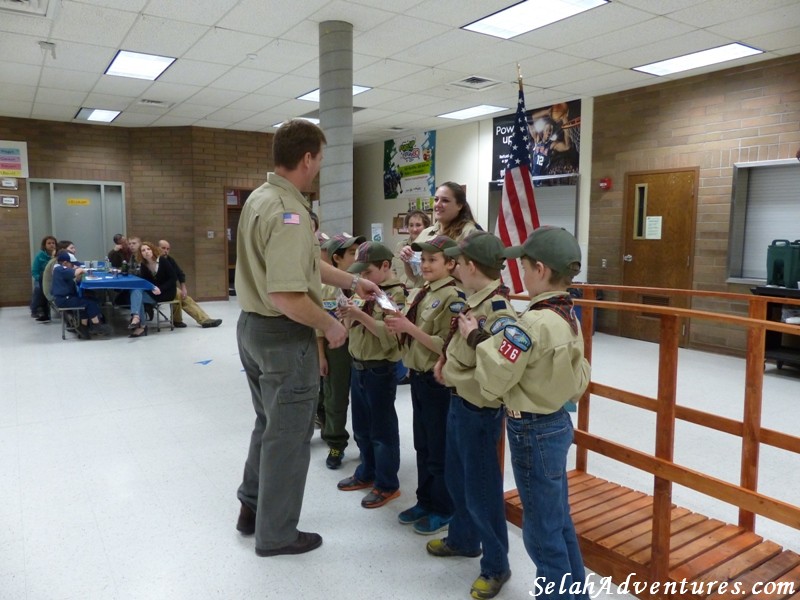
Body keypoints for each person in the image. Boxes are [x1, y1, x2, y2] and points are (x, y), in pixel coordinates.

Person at [233, 119, 379, 558]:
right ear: (307, 158)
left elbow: (305, 266)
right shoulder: (289, 212)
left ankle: (251, 507)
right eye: (319, 159)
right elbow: (285, 293)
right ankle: (276, 534)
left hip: (252, 330)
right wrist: (330, 325)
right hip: (282, 336)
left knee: (268, 424)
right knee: (289, 437)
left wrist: (352, 282)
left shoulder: (262, 199)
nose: (319, 167)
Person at [464, 226, 591, 600]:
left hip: (531, 429)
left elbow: (499, 375)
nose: (519, 272)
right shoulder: (567, 314)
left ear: (539, 269)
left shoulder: (534, 322)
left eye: (522, 264)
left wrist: (476, 338)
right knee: (558, 521)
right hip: (556, 423)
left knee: (540, 532)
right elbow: (579, 376)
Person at [427, 231, 517, 600]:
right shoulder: (473, 301)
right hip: (459, 404)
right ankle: (464, 539)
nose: (454, 267)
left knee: (482, 492)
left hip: (479, 411)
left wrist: (452, 372)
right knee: (457, 478)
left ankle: (496, 565)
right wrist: (445, 359)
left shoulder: (497, 313)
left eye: (459, 263)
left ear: (473, 266)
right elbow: (459, 344)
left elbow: (497, 371)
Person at [385, 235, 465, 535]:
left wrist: (409, 328)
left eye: (433, 260)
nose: (426, 264)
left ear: (450, 264)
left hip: (437, 382)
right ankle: (425, 499)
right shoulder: (422, 291)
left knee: (439, 447)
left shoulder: (452, 297)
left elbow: (446, 344)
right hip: (417, 377)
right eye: (424, 259)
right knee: (422, 444)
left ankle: (443, 507)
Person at [335, 242, 407, 508]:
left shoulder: (393, 295)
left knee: (382, 430)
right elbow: (349, 326)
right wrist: (347, 314)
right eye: (360, 274)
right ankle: (367, 471)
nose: (363, 279)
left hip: (380, 369)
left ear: (386, 267)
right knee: (362, 427)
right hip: (358, 366)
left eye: (367, 272)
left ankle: (387, 483)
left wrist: (359, 315)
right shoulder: (364, 292)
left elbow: (392, 335)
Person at [316, 233, 365, 469]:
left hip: (363, 347)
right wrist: (321, 356)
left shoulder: (364, 282)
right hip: (336, 349)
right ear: (336, 258)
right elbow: (319, 326)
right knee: (335, 397)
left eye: (358, 252)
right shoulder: (325, 288)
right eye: (351, 253)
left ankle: (365, 443)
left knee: (363, 398)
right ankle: (335, 442)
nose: (356, 257)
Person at [398, 182, 478, 282]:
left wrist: (444, 265)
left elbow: (476, 277)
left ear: (459, 205)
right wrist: (408, 260)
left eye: (445, 200)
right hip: (426, 294)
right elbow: (417, 279)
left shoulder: (469, 233)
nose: (438, 204)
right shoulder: (425, 233)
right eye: (436, 199)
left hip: (452, 296)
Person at [157, 239, 222, 329]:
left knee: (186, 298)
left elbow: (180, 273)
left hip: (170, 287)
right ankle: (177, 320)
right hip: (158, 289)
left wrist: (184, 288)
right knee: (177, 295)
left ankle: (204, 320)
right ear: (157, 248)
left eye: (168, 249)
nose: (166, 251)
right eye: (163, 248)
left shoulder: (169, 260)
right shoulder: (153, 261)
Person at [51, 251, 111, 339]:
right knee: (89, 303)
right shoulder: (59, 269)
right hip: (64, 299)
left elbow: (73, 278)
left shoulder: (60, 270)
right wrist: (83, 270)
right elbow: (77, 271)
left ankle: (83, 327)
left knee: (88, 299)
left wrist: (78, 276)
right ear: (65, 263)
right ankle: (96, 325)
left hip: (66, 297)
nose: (73, 266)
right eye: (72, 264)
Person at [127, 241, 177, 338]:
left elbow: (173, 278)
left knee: (137, 295)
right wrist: (152, 288)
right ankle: (137, 318)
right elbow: (145, 282)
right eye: (143, 250)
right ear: (141, 254)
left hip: (166, 292)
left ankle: (140, 324)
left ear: (153, 250)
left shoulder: (162, 261)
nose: (146, 252)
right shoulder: (143, 265)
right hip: (153, 291)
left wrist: (160, 288)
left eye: (148, 249)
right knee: (136, 291)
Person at [393, 209, 431, 289]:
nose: (414, 229)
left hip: (419, 291)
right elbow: (393, 271)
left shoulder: (430, 248)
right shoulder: (400, 246)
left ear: (426, 227)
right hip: (401, 290)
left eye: (418, 225)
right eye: (411, 225)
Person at [30, 235, 57, 321]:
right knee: (38, 288)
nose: (51, 245)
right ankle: (35, 309)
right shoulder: (40, 256)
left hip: (54, 278)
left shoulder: (58, 255)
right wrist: (41, 279)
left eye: (53, 243)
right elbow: (34, 271)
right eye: (49, 243)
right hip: (41, 278)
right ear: (44, 245)